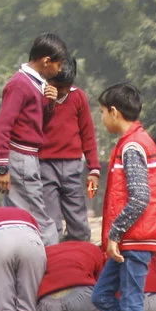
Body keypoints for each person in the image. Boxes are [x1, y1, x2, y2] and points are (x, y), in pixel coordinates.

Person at [91, 82, 156, 311]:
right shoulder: (135, 141)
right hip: (131, 238)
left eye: (101, 112)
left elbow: (140, 198)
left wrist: (115, 233)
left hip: (135, 237)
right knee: (101, 296)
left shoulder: (132, 147)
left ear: (114, 112)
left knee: (132, 301)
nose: (100, 118)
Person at [0, 35, 68, 230]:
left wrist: (49, 103)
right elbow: (3, 125)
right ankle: (52, 256)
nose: (59, 70)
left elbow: (38, 124)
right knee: (40, 220)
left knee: (16, 217)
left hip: (28, 156)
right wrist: (2, 166)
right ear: (46, 61)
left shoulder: (36, 84)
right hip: (21, 158)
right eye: (58, 65)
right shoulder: (20, 84)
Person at [35, 63, 99, 244]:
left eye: (66, 87)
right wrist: (49, 102)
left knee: (77, 216)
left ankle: (82, 252)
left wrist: (94, 169)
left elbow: (88, 134)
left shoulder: (78, 97)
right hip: (45, 164)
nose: (62, 91)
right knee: (50, 219)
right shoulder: (39, 96)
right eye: (58, 87)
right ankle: (53, 256)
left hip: (72, 165)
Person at [36, 233, 107, 311]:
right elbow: (102, 286)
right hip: (82, 299)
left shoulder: (46, 251)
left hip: (48, 306)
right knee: (106, 310)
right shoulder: (91, 248)